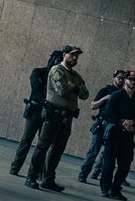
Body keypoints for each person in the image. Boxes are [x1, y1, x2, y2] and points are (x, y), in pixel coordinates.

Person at [24, 45, 86, 191]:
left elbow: (85, 94)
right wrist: (76, 88)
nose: (75, 58)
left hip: (67, 117)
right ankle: (31, 177)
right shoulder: (56, 70)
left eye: (77, 56)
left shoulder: (76, 76)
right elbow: (61, 90)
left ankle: (48, 179)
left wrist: (74, 87)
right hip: (54, 114)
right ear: (64, 55)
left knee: (57, 150)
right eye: (72, 55)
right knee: (43, 146)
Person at [10, 50, 63, 178]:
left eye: (59, 61)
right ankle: (15, 167)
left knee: (43, 145)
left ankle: (37, 173)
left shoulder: (58, 78)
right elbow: (36, 89)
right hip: (35, 111)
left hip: (48, 113)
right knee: (26, 140)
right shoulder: (38, 72)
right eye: (55, 60)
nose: (56, 63)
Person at [96, 71, 135, 201]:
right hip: (114, 133)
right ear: (125, 81)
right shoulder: (116, 95)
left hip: (128, 135)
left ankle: (116, 189)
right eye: (131, 79)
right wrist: (122, 122)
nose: (133, 82)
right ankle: (105, 187)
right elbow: (108, 113)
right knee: (109, 163)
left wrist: (132, 122)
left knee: (125, 164)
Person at [76, 69, 126, 183]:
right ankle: (83, 174)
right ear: (114, 77)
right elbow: (93, 106)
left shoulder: (124, 94)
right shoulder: (106, 90)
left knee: (107, 154)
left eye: (123, 78)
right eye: (119, 77)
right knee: (94, 150)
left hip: (114, 126)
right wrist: (105, 98)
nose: (121, 80)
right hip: (102, 123)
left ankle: (95, 173)